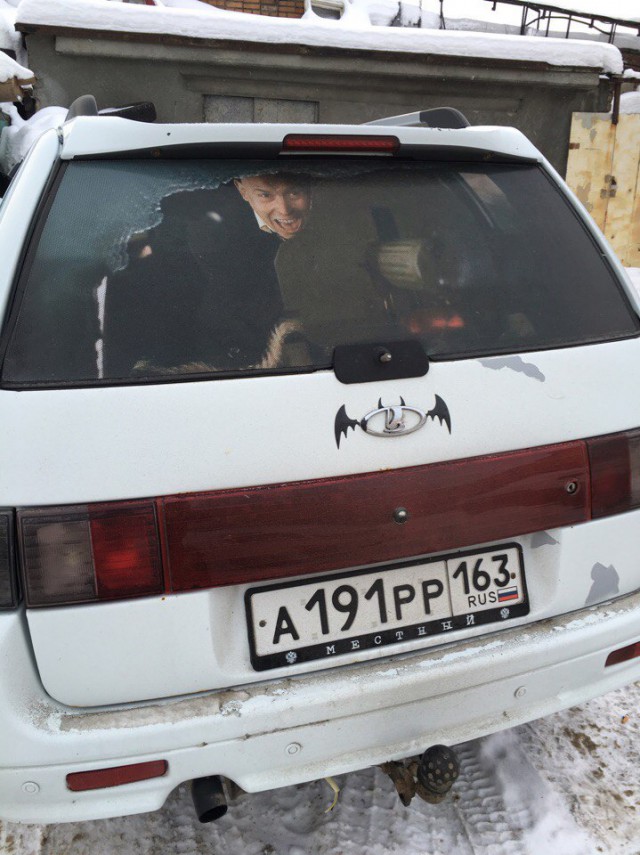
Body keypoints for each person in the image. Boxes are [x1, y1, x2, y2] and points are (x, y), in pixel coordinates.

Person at [103, 172, 311, 378]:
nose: (284, 208)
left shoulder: (321, 228)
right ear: (242, 191)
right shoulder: (216, 243)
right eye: (265, 195)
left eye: (294, 193)